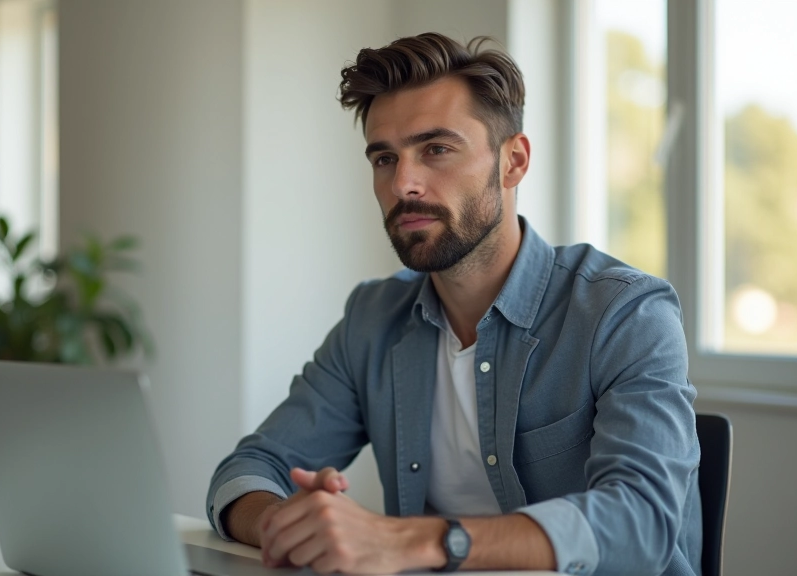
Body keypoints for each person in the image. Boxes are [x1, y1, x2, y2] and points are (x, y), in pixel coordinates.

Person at [206, 32, 701, 576]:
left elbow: (642, 524)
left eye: (436, 149)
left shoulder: (624, 314)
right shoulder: (372, 321)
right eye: (384, 158)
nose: (404, 183)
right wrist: (288, 522)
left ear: (513, 162)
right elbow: (250, 468)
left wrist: (415, 543)